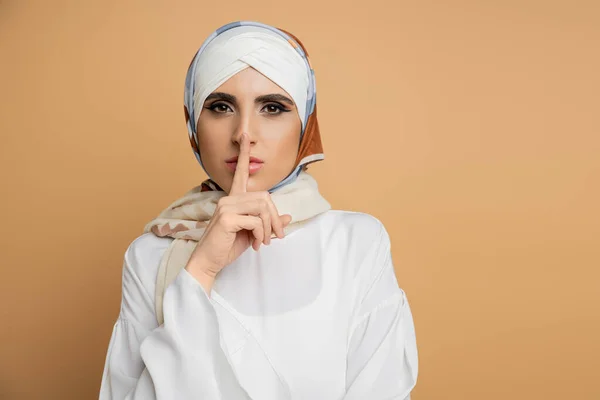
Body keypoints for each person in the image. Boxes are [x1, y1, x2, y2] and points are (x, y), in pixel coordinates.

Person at [99, 20, 418, 400]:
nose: (244, 133)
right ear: (192, 124)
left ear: (304, 125)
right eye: (220, 107)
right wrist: (200, 271)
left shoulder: (355, 244)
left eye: (272, 107)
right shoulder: (150, 255)